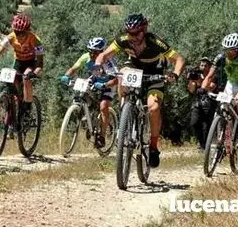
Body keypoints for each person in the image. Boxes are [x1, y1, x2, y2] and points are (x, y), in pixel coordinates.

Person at [94, 13, 185, 168]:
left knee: (154, 107)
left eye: (136, 33)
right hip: (134, 68)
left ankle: (154, 146)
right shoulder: (123, 40)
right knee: (122, 74)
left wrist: (175, 74)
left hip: (154, 72)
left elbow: (179, 59)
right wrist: (97, 65)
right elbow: (104, 55)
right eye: (129, 33)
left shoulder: (155, 42)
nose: (132, 37)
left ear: (144, 30)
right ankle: (125, 110)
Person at [0, 12, 45, 134]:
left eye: (22, 33)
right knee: (11, 82)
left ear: (28, 31)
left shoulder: (35, 40)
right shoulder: (10, 37)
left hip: (31, 63)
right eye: (17, 32)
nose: (19, 35)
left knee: (26, 77)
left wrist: (35, 73)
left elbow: (40, 64)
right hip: (18, 62)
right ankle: (13, 106)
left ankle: (27, 108)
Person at [59, 37, 119, 148]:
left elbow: (117, 80)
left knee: (103, 106)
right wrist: (66, 76)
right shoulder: (86, 57)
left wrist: (105, 85)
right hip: (94, 80)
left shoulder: (108, 61)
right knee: (83, 94)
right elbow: (74, 68)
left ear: (102, 51)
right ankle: (88, 115)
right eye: (90, 51)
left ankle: (101, 136)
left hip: (108, 83)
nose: (92, 54)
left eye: (95, 52)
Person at [200, 33, 238, 143]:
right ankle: (222, 134)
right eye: (226, 50)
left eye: (232, 50)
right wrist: (202, 89)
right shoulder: (220, 58)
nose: (229, 52)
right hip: (231, 84)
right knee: (223, 106)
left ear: (237, 49)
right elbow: (209, 76)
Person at [186, 57, 217, 150]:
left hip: (210, 102)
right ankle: (202, 144)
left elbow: (211, 87)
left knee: (207, 125)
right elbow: (191, 90)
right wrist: (191, 80)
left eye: (205, 65)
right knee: (194, 123)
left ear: (209, 67)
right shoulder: (197, 75)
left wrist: (200, 82)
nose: (203, 67)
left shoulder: (213, 76)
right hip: (198, 102)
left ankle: (205, 146)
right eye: (201, 65)